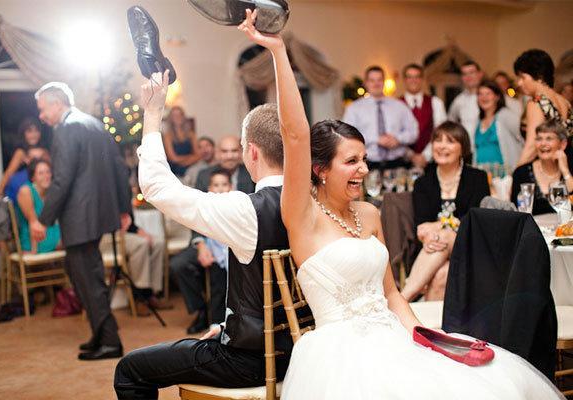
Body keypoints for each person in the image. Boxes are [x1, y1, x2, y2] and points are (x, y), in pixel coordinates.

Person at [239, 10, 563, 400]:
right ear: (320, 169)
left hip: (394, 335)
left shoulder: (370, 213)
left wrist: (424, 338)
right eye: (352, 161)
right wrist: (278, 52)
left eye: (364, 159)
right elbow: (295, 134)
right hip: (343, 355)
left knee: (488, 384)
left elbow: (391, 294)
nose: (364, 169)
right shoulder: (302, 216)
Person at [114, 71, 295, 397]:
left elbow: (157, 187)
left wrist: (153, 113)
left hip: (249, 359)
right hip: (300, 350)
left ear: (252, 152)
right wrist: (229, 326)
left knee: (130, 369)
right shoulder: (314, 203)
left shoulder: (246, 211)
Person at [31, 82, 131, 361]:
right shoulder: (93, 124)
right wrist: (124, 208)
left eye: (42, 109)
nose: (41, 116)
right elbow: (119, 168)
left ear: (56, 104)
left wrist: (43, 220)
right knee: (84, 278)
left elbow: (62, 180)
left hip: (80, 218)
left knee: (88, 281)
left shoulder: (66, 128)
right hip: (96, 215)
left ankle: (110, 342)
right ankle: (99, 334)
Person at [400, 122, 490, 302]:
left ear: (463, 148)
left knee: (447, 235)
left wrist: (440, 227)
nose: (442, 146)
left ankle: (403, 299)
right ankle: (413, 310)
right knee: (441, 274)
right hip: (432, 249)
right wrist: (431, 235)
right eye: (438, 140)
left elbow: (473, 222)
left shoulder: (477, 178)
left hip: (469, 248)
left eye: (450, 141)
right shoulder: (423, 183)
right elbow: (422, 226)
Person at [175, 167, 232, 331]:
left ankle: (225, 319)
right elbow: (195, 225)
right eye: (216, 185)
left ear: (231, 187)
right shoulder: (204, 205)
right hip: (210, 246)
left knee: (222, 280)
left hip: (229, 249)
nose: (220, 189)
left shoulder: (235, 203)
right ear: (209, 188)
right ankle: (204, 312)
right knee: (180, 265)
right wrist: (202, 245)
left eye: (224, 185)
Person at [343, 65, 418, 171]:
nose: (376, 84)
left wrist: (397, 139)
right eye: (372, 80)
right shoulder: (354, 108)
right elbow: (347, 136)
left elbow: (414, 131)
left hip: (398, 164)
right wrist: (376, 139)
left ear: (384, 82)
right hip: (366, 165)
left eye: (379, 80)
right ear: (366, 83)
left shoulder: (400, 106)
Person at [100, 214, 169, 317]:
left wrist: (138, 231)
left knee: (158, 243)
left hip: (126, 232)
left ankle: (151, 294)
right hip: (107, 234)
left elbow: (128, 219)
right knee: (141, 244)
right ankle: (139, 297)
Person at [515, 49, 573, 167]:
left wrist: (515, 173)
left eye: (522, 77)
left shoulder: (537, 103)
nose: (519, 83)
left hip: (546, 169)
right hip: (567, 167)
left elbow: (532, 147)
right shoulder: (565, 102)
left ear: (539, 76)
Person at [511, 120, 573, 215]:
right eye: (539, 139)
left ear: (562, 144)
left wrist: (565, 171)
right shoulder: (521, 173)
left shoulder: (570, 169)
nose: (543, 144)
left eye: (549, 139)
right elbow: (515, 212)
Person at [399, 63, 447, 168]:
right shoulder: (396, 104)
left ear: (422, 79)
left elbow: (441, 132)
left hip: (431, 161)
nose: (413, 80)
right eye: (409, 77)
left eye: (417, 77)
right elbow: (394, 135)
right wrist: (411, 156)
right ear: (404, 80)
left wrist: (426, 155)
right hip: (403, 162)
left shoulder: (436, 102)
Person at [474, 80, 524, 173]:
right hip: (482, 174)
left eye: (488, 93)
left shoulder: (506, 115)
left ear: (497, 97)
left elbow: (523, 137)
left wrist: (519, 167)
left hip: (505, 175)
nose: (484, 97)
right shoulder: (478, 120)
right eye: (480, 94)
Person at [0, 117, 46, 200]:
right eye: (29, 131)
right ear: (24, 134)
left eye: (36, 131)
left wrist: (43, 153)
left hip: (39, 191)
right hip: (21, 192)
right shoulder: (21, 152)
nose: (34, 134)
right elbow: (9, 173)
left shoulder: (43, 150)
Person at [16, 159, 61, 253]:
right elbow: (33, 224)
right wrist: (34, 253)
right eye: (41, 173)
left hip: (56, 238)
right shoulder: (26, 191)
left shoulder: (52, 191)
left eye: (48, 172)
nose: (46, 176)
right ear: (33, 177)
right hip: (36, 241)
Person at [448, 60, 484, 144]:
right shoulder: (458, 100)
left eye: (471, 72)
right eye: (464, 74)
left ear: (480, 74)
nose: (468, 77)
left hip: (486, 146)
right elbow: (450, 122)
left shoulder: (491, 97)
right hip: (466, 147)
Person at [162, 106, 201, 176]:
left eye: (180, 114)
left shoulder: (191, 134)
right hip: (174, 170)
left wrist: (187, 162)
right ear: (171, 118)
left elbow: (198, 155)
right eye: (175, 115)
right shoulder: (168, 136)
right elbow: (173, 158)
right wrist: (190, 157)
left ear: (183, 117)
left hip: (191, 167)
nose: (178, 117)